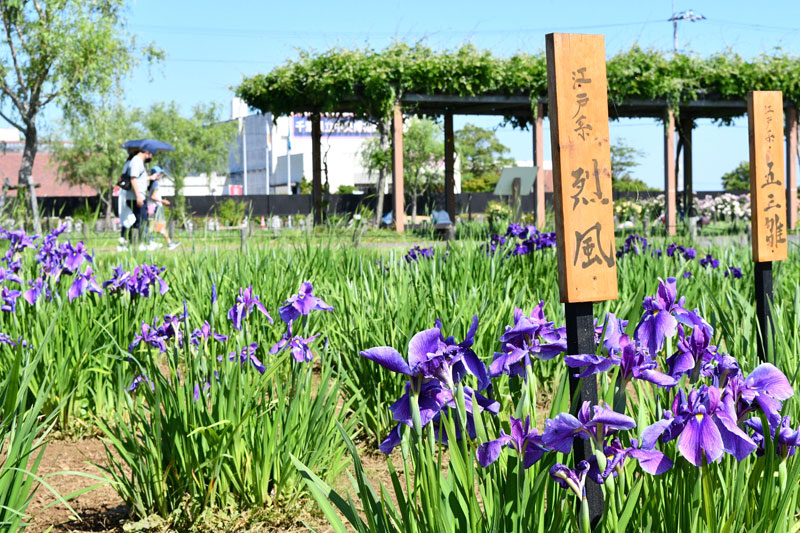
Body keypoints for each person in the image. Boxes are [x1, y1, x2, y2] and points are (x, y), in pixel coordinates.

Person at [118, 146, 154, 250]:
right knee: (142, 220)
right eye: (152, 154)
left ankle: (130, 242)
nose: (151, 157)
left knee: (137, 221)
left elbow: (138, 178)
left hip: (137, 196)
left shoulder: (135, 162)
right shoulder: (136, 161)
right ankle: (146, 242)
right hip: (135, 197)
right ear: (147, 152)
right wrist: (138, 196)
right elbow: (133, 179)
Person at [147, 166, 179, 250]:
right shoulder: (156, 184)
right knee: (159, 225)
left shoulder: (152, 184)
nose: (161, 175)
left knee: (154, 225)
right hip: (156, 207)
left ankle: (166, 242)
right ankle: (167, 243)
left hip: (152, 206)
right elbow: (153, 196)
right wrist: (163, 201)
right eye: (160, 173)